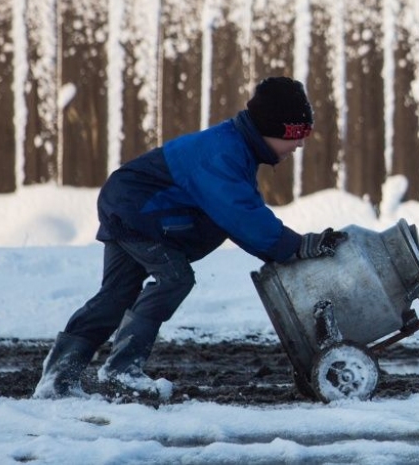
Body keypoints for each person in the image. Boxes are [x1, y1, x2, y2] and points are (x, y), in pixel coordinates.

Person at [34, 76, 345, 400]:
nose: (299, 145)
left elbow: (240, 218)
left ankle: (58, 379)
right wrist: (296, 247)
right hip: (138, 212)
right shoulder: (223, 154)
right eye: (296, 135)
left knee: (116, 295)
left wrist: (288, 250)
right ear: (273, 128)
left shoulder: (236, 148)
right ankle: (120, 371)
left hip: (129, 205)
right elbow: (242, 216)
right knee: (174, 279)